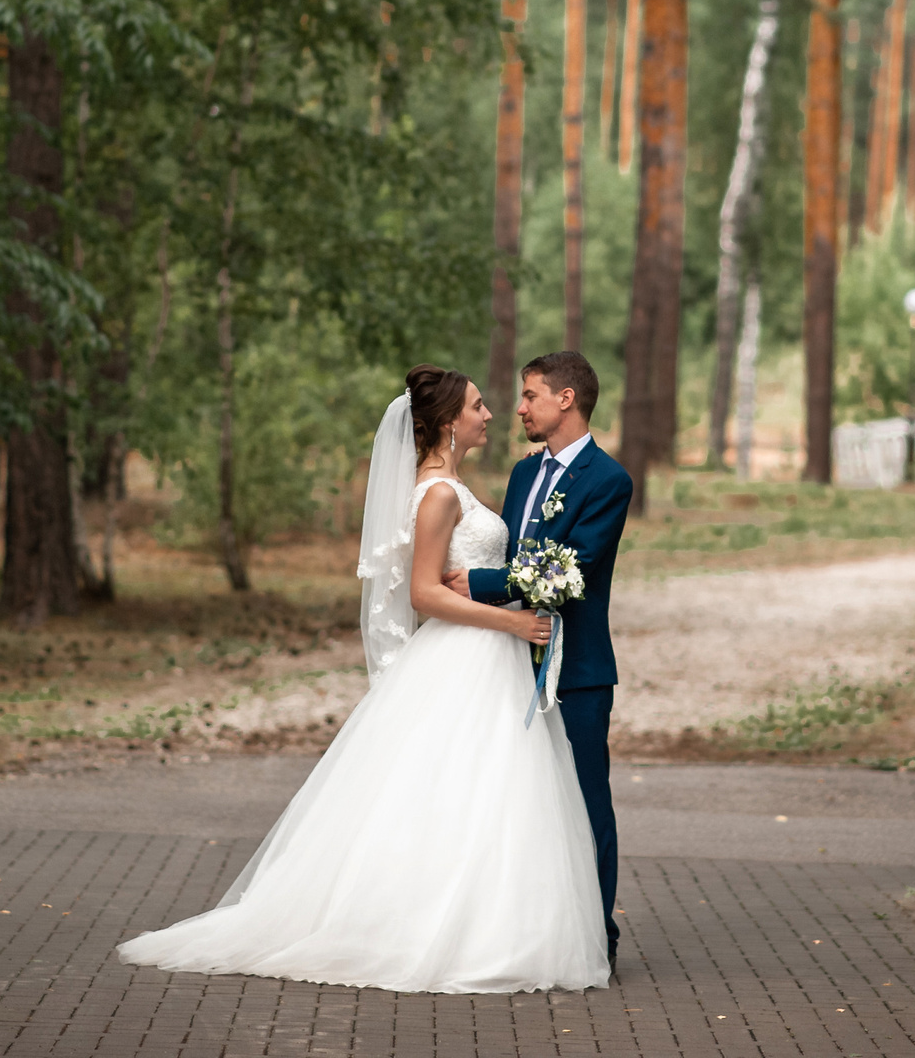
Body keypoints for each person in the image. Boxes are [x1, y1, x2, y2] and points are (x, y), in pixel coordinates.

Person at [114, 364, 609, 994]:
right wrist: (510, 625)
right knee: (462, 790)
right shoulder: (437, 494)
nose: (492, 414)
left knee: (474, 795)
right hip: (472, 651)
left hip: (487, 658)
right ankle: (437, 930)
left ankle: (487, 924)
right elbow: (426, 594)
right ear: (449, 421)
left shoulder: (453, 485)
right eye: (479, 406)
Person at [444, 351, 633, 957]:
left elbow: (569, 570)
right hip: (504, 663)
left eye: (529, 395)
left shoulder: (610, 481)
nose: (518, 408)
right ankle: (530, 929)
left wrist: (478, 584)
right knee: (520, 802)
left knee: (585, 804)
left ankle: (597, 935)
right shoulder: (525, 474)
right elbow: (511, 547)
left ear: (566, 400)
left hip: (574, 669)